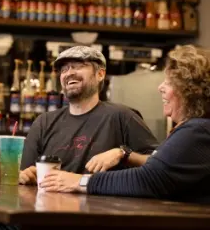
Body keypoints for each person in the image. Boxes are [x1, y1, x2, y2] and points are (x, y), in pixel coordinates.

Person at [40, 45, 210, 204]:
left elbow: (148, 179)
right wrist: (124, 153)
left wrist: (80, 181)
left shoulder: (198, 131)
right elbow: (157, 163)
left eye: (169, 82)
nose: (160, 87)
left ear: (190, 90)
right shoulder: (194, 129)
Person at [19, 45, 159, 185]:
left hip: (103, 206)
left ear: (100, 74)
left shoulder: (122, 116)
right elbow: (25, 174)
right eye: (64, 69)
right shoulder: (44, 122)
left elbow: (159, 164)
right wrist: (25, 177)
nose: (69, 73)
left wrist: (123, 153)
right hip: (50, 205)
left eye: (78, 66)